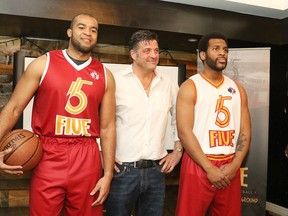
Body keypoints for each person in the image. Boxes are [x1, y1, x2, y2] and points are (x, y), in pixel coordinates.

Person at [0, 13, 116, 216]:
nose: (87, 32)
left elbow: (107, 127)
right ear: (70, 32)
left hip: (86, 155)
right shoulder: (43, 64)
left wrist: (107, 175)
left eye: (93, 29)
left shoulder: (105, 75)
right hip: (47, 153)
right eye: (81, 27)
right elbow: (13, 108)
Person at [105, 30, 183, 216]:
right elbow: (102, 121)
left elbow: (179, 119)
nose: (154, 55)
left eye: (156, 50)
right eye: (147, 50)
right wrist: (103, 152)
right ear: (133, 54)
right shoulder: (116, 81)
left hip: (157, 171)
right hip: (122, 170)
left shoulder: (169, 83)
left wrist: (178, 151)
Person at [175, 32, 251, 216]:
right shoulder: (190, 86)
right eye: (216, 49)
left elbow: (245, 131)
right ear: (202, 55)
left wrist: (236, 164)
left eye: (225, 49)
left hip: (229, 165)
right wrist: (209, 168)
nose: (222, 53)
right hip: (199, 162)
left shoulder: (237, 89)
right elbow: (184, 132)